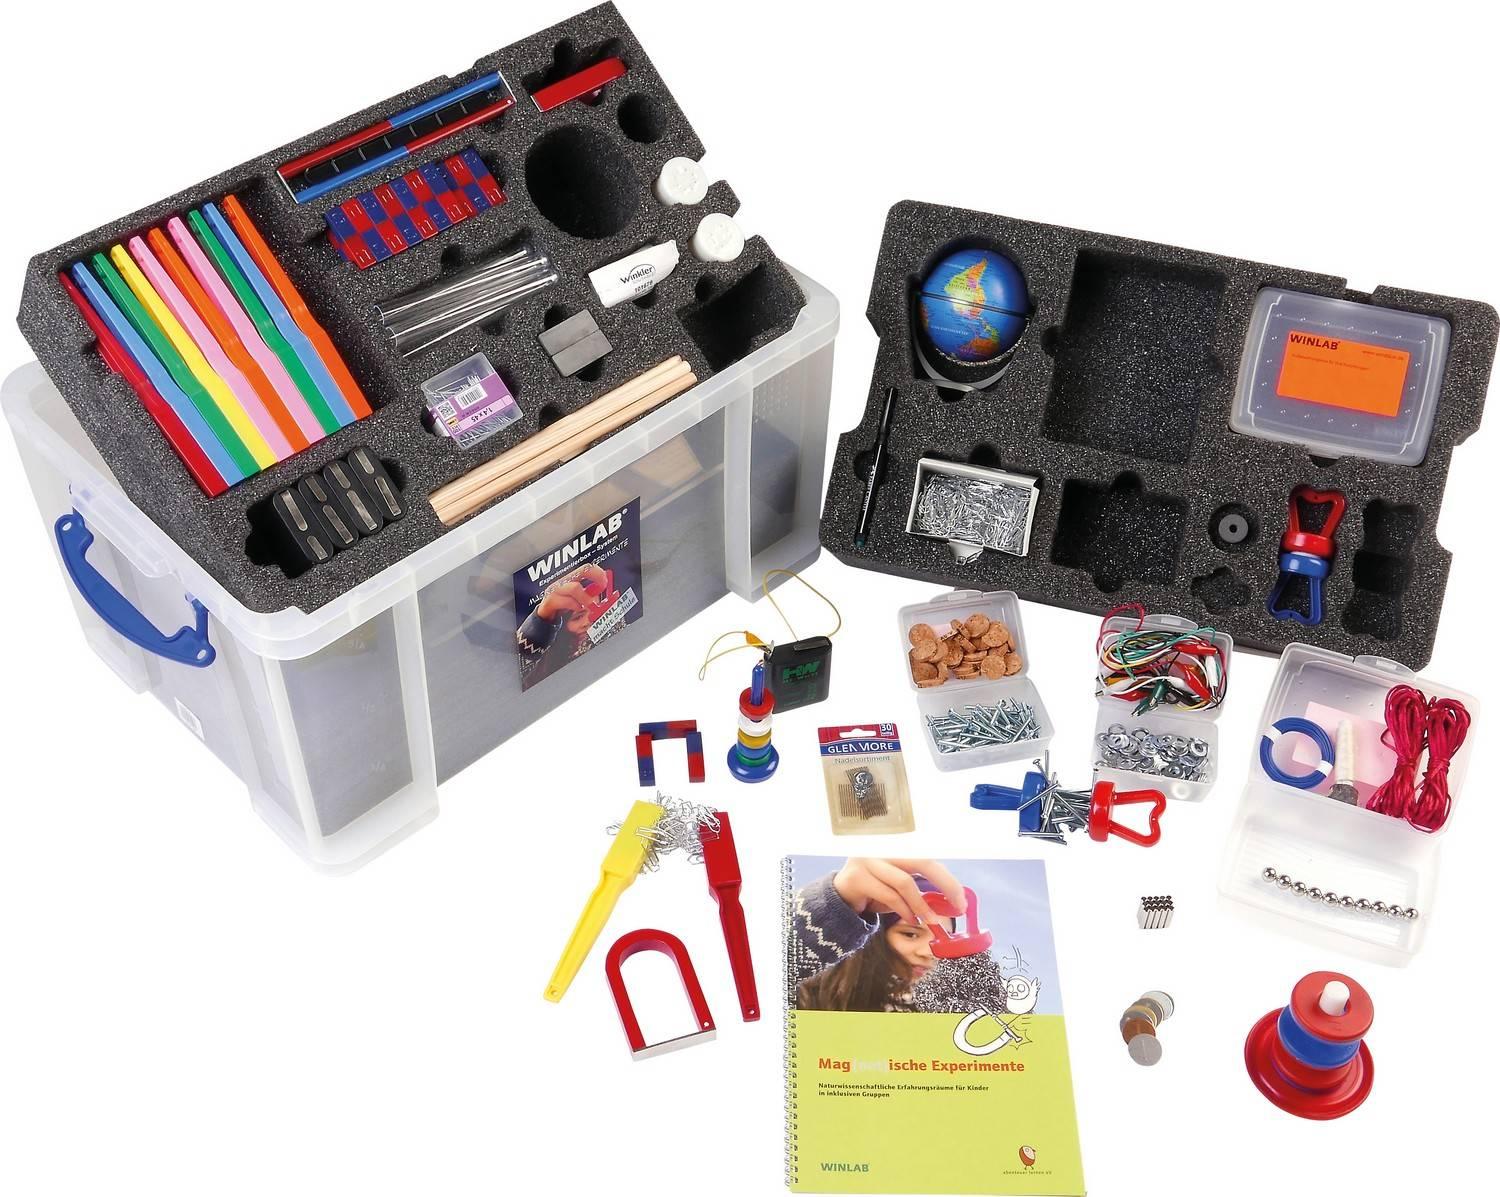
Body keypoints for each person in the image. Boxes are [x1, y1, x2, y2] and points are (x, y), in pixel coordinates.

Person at [792, 858, 965, 1013]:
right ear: (870, 934)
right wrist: (837, 901)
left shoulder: (952, 1011)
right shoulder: (805, 997)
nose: (929, 952)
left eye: (943, 938)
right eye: (910, 934)